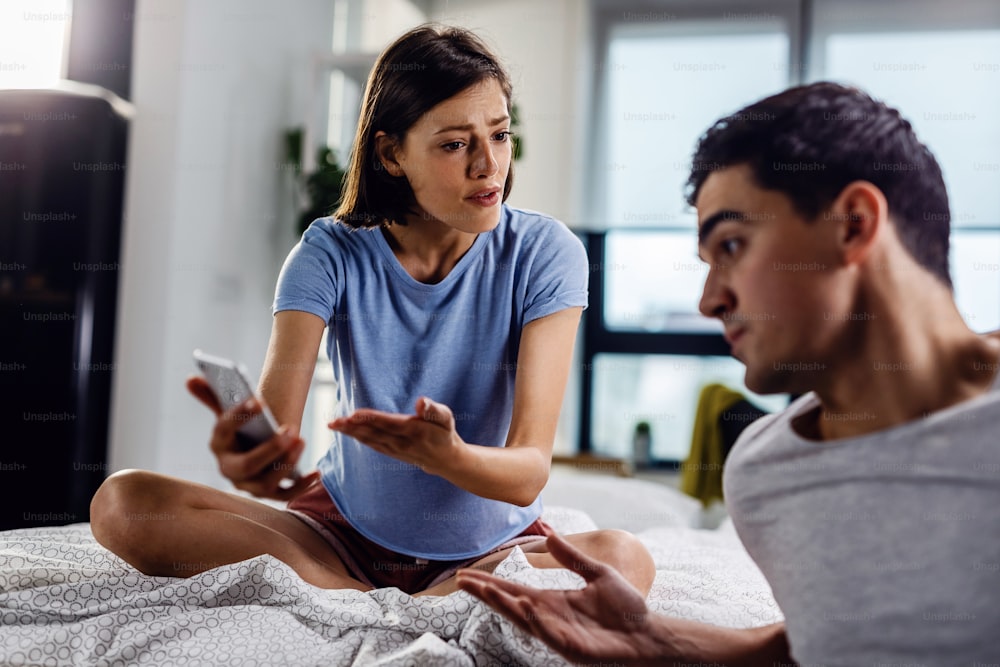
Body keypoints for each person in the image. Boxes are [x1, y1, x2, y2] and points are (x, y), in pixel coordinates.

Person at [89, 24, 655, 598]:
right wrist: (252, 457)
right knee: (123, 502)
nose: (490, 166)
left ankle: (348, 597)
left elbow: (529, 470)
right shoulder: (327, 251)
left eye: (501, 135)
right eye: (456, 144)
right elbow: (277, 440)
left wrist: (450, 457)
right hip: (338, 535)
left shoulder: (545, 253)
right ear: (391, 153)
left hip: (491, 549)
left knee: (623, 558)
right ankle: (386, 600)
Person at [457, 81, 1000, 664]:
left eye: (733, 245)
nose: (709, 301)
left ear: (854, 224)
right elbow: (832, 646)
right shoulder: (766, 473)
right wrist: (658, 641)